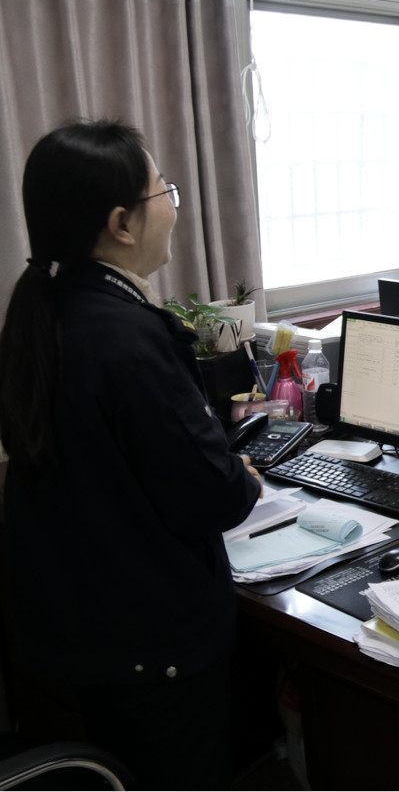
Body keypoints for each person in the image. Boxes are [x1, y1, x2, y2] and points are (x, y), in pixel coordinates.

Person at [0, 120, 264, 789]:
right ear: (121, 223)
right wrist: (241, 477)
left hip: (76, 626)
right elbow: (212, 496)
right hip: (149, 643)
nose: (173, 205)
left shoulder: (47, 309)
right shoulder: (127, 336)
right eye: (163, 191)